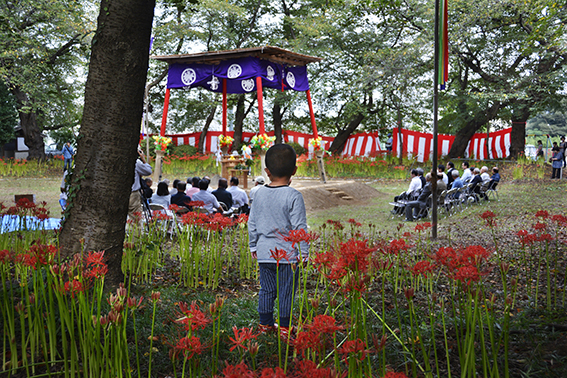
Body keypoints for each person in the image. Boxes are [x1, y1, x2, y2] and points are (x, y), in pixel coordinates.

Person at [248, 143, 309, 336]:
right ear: (294, 170)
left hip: (264, 252)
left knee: (266, 289)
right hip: (287, 255)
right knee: (286, 291)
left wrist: (252, 246)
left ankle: (265, 324)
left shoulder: (258, 194)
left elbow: (252, 222)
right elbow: (300, 228)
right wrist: (304, 252)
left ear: (267, 171)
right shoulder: (294, 196)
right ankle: (285, 327)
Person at [129, 148, 152, 220]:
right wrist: (143, 159)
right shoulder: (136, 162)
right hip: (133, 193)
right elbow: (148, 171)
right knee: (135, 219)